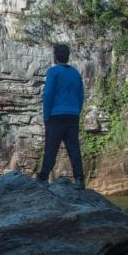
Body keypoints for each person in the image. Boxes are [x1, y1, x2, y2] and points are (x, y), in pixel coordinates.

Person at [36, 43, 85, 189]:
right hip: (72, 115)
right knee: (74, 148)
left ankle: (43, 177)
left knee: (51, 147)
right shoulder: (76, 73)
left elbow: (48, 94)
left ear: (55, 57)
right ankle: (79, 179)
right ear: (68, 56)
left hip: (55, 115)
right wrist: (77, 111)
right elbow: (81, 95)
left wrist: (46, 115)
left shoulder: (53, 72)